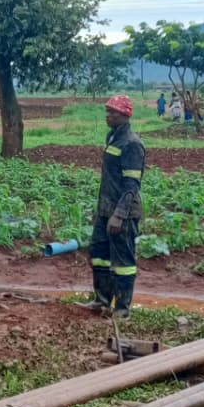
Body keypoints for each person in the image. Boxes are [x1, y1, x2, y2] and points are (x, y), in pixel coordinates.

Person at [87, 94, 145, 318]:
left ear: (125, 115)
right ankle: (102, 301)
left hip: (124, 211)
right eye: (107, 111)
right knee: (99, 254)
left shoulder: (131, 144)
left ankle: (122, 309)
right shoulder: (113, 137)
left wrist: (119, 215)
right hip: (105, 208)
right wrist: (105, 212)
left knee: (123, 261)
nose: (108, 115)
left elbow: (132, 186)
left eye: (113, 112)